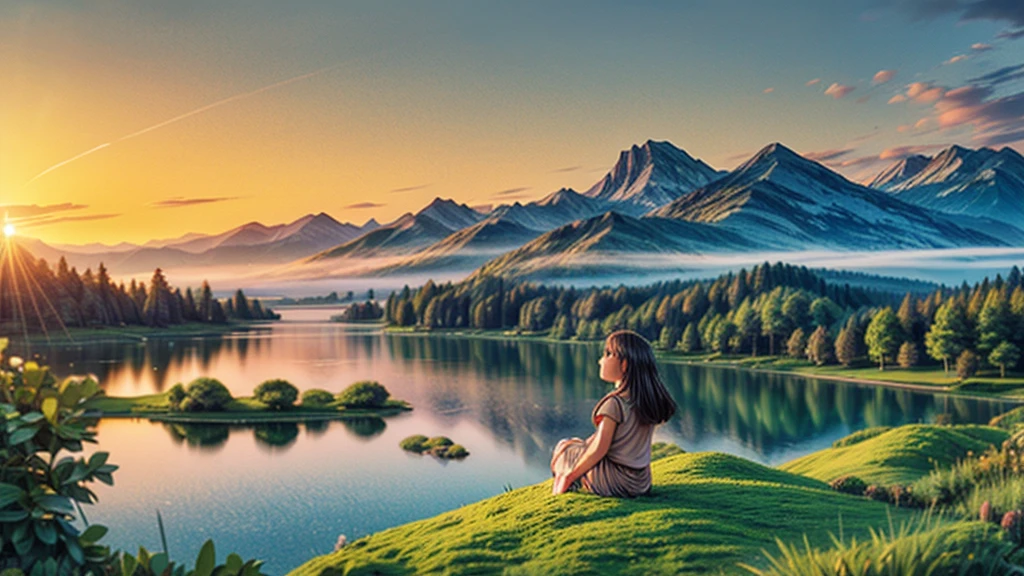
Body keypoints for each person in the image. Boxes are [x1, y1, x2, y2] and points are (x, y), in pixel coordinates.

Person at [551, 330, 677, 497]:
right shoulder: (644, 401)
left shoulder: (614, 404)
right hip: (640, 483)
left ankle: (570, 483)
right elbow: (598, 441)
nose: (600, 360)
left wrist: (570, 476)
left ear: (624, 364)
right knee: (576, 443)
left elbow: (599, 448)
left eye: (608, 354)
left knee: (563, 448)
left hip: (614, 482)